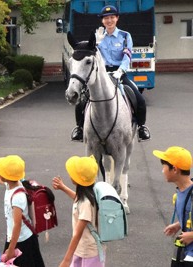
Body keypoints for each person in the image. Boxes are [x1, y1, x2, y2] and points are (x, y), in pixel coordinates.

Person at [70, 5, 151, 142]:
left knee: (139, 99)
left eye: (112, 17)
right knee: (82, 102)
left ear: (117, 18)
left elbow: (127, 57)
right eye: (106, 18)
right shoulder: (97, 37)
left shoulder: (125, 36)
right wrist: (94, 43)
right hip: (101, 75)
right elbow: (88, 54)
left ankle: (141, 127)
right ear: (102, 21)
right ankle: (80, 128)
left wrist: (120, 71)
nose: (109, 20)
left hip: (120, 74)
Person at [0, 153, 45, 267]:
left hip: (22, 242)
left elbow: (17, 225)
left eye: (1, 171)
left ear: (8, 176)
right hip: (15, 238)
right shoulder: (12, 184)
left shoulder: (17, 197)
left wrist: (11, 249)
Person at [52, 155, 104, 267]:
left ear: (78, 179)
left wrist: (66, 260)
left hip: (88, 253)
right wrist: (63, 188)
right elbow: (79, 200)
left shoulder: (86, 202)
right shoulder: (89, 194)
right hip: (83, 250)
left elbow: (77, 234)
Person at [153, 146, 193, 266]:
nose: (162, 171)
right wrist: (179, 224)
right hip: (184, 252)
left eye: (164, 167)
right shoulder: (181, 192)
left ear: (174, 169)